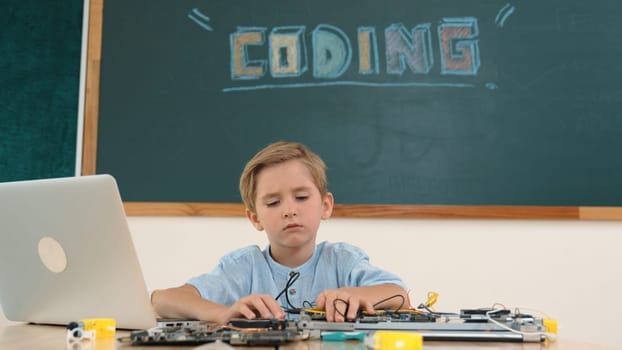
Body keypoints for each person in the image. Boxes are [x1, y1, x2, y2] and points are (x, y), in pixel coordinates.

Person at [151, 141, 409, 324]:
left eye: (301, 197)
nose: (289, 210)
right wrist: (222, 313)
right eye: (273, 203)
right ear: (255, 218)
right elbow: (162, 300)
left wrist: (355, 295)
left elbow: (399, 294)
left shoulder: (342, 260)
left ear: (325, 206)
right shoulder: (243, 266)